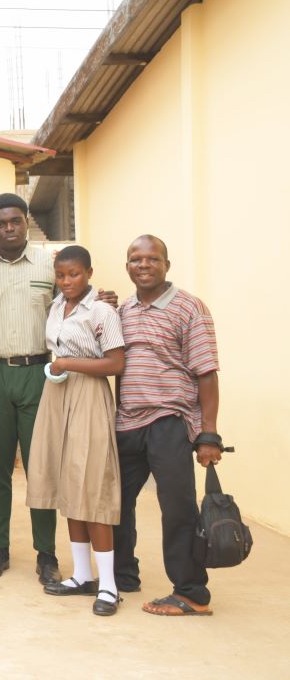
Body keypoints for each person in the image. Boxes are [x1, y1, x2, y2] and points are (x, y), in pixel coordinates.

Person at [114, 235, 222, 617]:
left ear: (166, 265)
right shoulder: (122, 310)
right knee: (115, 504)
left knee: (177, 509)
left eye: (152, 258)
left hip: (170, 421)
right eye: (135, 259)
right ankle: (122, 575)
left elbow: (206, 373)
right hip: (127, 422)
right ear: (127, 266)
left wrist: (208, 434)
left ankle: (191, 593)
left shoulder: (189, 307)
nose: (143, 265)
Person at [25, 245, 126, 616]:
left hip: (88, 395)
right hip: (57, 394)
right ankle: (82, 575)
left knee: (92, 486)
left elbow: (115, 363)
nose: (67, 281)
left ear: (89, 273)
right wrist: (61, 366)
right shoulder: (56, 307)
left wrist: (68, 362)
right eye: (61, 275)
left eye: (75, 274)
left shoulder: (101, 310)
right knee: (69, 483)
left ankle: (108, 585)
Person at [0, 193, 62, 584]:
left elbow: (74, 304)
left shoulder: (50, 266)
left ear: (25, 221)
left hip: (38, 372)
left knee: (40, 468)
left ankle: (47, 554)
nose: (9, 228)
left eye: (15, 221)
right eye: (0, 223)